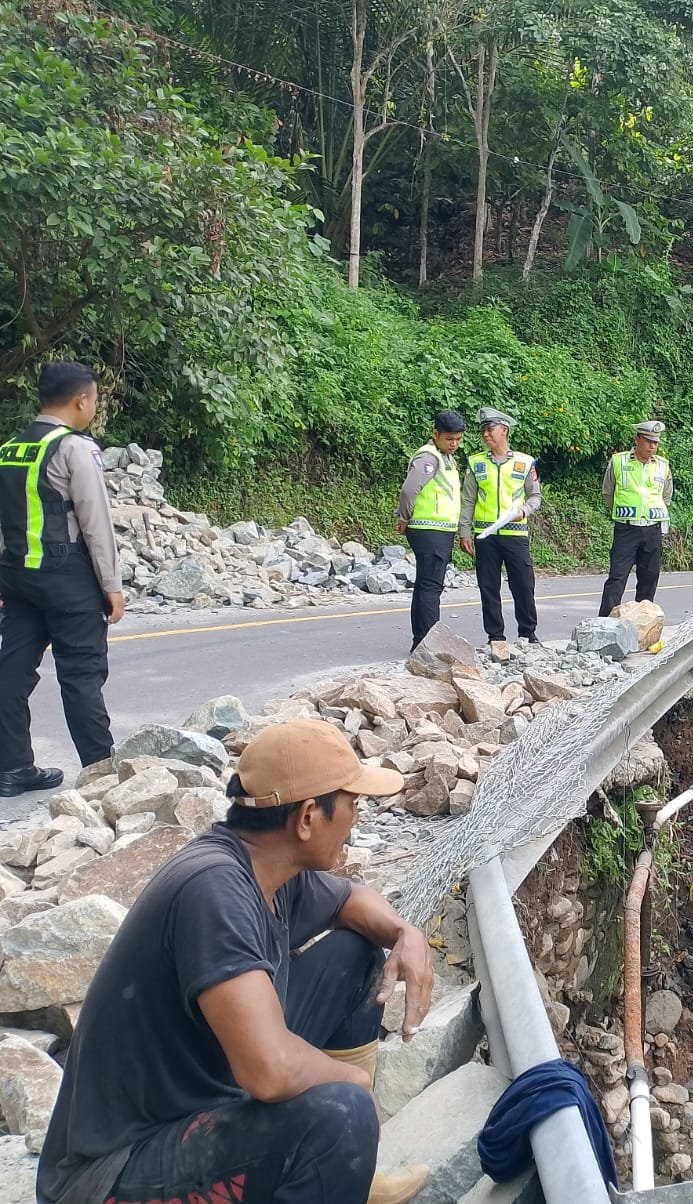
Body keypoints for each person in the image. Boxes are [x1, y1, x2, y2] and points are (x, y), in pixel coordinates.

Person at [37, 719, 435, 1204]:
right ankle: (332, 1160)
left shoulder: (268, 866)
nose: (356, 819)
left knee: (354, 956)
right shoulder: (215, 890)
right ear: (308, 817)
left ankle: (349, 1179)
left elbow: (351, 899)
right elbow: (268, 1070)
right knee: (342, 1112)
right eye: (352, 805)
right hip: (112, 1175)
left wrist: (405, 934)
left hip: (200, 1097)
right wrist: (353, 1084)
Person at [0, 361, 123, 798]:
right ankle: (102, 774)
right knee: (80, 676)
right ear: (81, 400)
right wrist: (112, 585)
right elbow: (95, 521)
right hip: (68, 577)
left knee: (11, 672)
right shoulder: (75, 448)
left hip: (16, 577)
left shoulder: (10, 447)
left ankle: (13, 767)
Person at [459, 407, 542, 658]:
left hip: (515, 533)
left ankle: (528, 633)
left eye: (490, 429)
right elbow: (468, 500)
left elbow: (536, 496)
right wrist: (464, 531)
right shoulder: (476, 463)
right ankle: (495, 635)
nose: (485, 434)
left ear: (504, 431)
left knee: (523, 585)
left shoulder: (524, 463)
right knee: (488, 586)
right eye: (483, 430)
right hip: (485, 535)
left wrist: (524, 511)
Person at [394, 410, 466, 650]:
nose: (454, 444)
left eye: (458, 439)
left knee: (426, 584)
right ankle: (428, 644)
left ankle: (421, 642)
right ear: (435, 434)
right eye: (449, 439)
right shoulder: (430, 457)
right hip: (429, 530)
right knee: (431, 587)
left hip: (438, 531)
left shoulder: (445, 457)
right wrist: (404, 517)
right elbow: (409, 490)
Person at [599, 421, 673, 617]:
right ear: (637, 439)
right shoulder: (619, 461)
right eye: (648, 441)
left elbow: (666, 496)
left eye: (655, 443)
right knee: (617, 577)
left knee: (649, 578)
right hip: (627, 528)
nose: (652, 446)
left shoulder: (663, 466)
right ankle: (605, 623)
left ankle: (644, 623)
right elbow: (608, 492)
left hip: (652, 529)